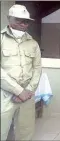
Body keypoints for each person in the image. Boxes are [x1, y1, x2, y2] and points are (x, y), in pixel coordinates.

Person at [1, 4, 42, 141]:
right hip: (4, 94)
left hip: (27, 95)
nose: (23, 24)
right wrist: (18, 91)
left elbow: (37, 69)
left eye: (26, 21)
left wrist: (29, 90)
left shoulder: (33, 43)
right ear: (9, 19)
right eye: (18, 20)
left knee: (25, 132)